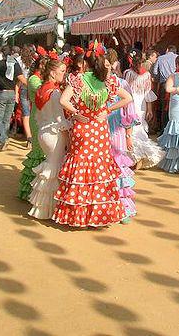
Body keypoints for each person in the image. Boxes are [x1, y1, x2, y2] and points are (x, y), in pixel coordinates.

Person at [53, 44, 132, 228]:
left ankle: (78, 215)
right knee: (99, 169)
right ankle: (98, 215)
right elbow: (128, 98)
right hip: (100, 128)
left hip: (82, 128)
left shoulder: (78, 80)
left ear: (86, 64)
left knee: (80, 167)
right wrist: (107, 110)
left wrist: (75, 113)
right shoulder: (109, 81)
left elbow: (63, 100)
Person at [28, 60, 70, 220]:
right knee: (53, 170)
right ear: (53, 72)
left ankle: (43, 209)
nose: (63, 73)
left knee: (48, 169)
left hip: (43, 132)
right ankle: (51, 210)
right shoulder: (56, 93)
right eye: (62, 71)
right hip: (54, 134)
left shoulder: (40, 89)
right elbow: (61, 120)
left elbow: (38, 116)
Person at [106, 53, 137, 222]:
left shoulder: (121, 83)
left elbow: (129, 110)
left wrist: (129, 134)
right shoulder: (95, 84)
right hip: (101, 130)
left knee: (118, 165)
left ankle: (122, 208)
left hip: (116, 129)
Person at [124, 53, 164, 169]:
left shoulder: (128, 73)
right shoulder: (147, 75)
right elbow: (148, 93)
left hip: (131, 102)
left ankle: (133, 158)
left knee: (130, 129)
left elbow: (125, 90)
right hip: (142, 103)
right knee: (140, 127)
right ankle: (140, 156)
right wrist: (150, 109)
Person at [18, 54, 47, 201]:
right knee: (38, 152)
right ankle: (29, 189)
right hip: (37, 118)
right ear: (40, 66)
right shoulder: (34, 80)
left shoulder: (39, 79)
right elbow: (44, 93)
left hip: (44, 117)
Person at [0, 46, 26, 151]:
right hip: (12, 93)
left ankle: (3, 139)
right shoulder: (15, 64)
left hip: (0, 93)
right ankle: (2, 140)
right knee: (6, 119)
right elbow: (21, 79)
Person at [153, 45, 178, 130]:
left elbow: (155, 72)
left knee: (164, 107)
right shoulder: (178, 58)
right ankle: (174, 128)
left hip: (164, 84)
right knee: (175, 106)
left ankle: (164, 129)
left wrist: (158, 78)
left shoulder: (160, 58)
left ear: (167, 50)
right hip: (176, 84)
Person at [19, 46, 34, 146]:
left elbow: (18, 78)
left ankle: (29, 137)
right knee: (33, 112)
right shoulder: (33, 61)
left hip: (24, 88)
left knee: (26, 113)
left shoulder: (19, 62)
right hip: (33, 87)